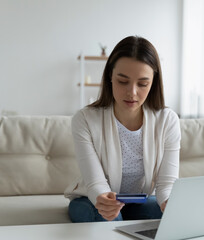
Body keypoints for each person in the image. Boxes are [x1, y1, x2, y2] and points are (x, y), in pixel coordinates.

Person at [64, 36, 181, 222]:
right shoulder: (85, 119)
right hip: (92, 200)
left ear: (153, 83)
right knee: (110, 218)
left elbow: (166, 184)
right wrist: (104, 200)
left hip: (137, 201)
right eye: (122, 81)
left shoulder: (168, 120)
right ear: (110, 76)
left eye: (142, 84)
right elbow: (96, 184)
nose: (132, 92)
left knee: (176, 213)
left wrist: (168, 203)